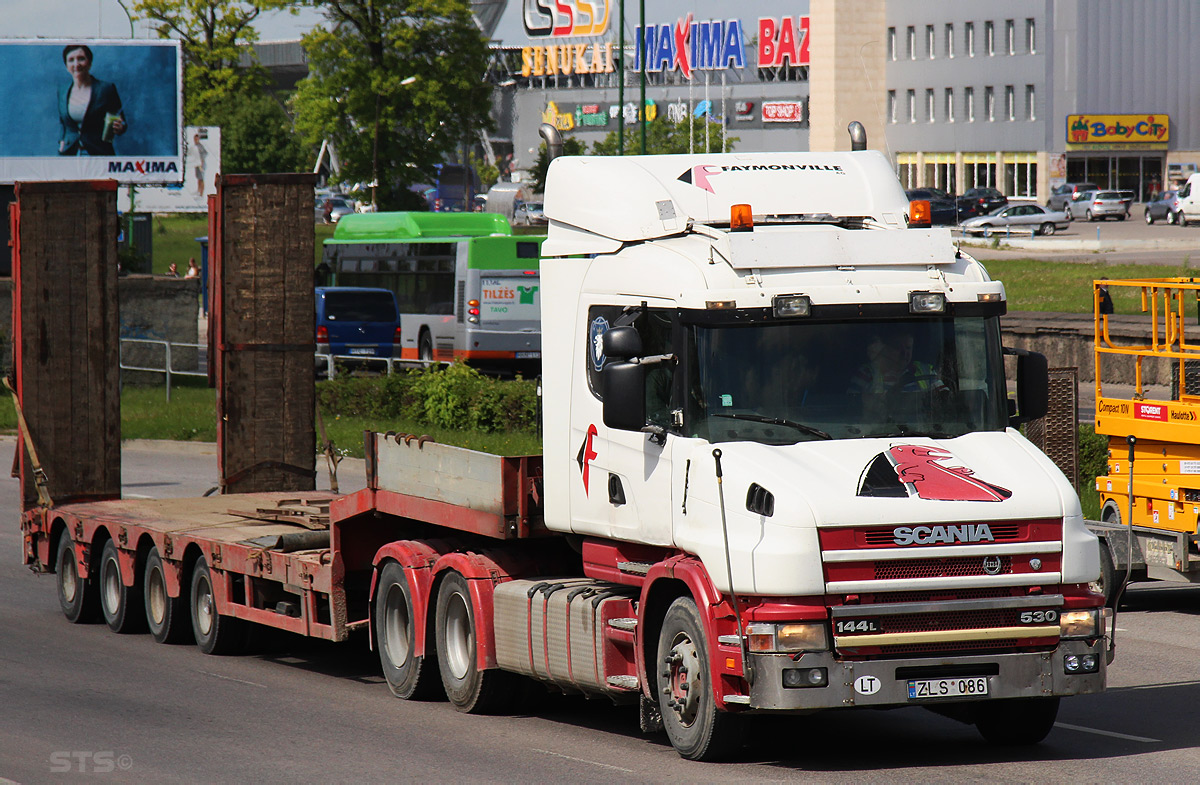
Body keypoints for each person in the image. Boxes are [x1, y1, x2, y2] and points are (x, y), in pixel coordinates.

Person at [57, 44, 126, 156]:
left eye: (81, 59)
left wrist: (120, 126)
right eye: (71, 60)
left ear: (89, 63)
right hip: (69, 154)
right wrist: (61, 141)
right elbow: (63, 122)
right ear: (66, 66)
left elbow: (121, 120)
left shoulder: (106, 89)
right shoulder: (62, 91)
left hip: (99, 153)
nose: (76, 64)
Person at [849, 330, 946, 395]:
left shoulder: (926, 371)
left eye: (908, 348)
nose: (905, 353)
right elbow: (852, 408)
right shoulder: (866, 373)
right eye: (898, 348)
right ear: (886, 349)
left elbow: (945, 399)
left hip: (922, 425)